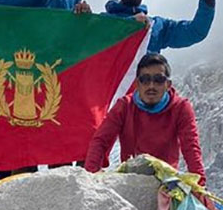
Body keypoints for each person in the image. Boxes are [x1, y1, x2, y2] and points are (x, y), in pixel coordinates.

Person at [84, 53, 207, 183]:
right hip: (131, 180)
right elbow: (101, 140)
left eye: (158, 80)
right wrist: (91, 175)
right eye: (145, 79)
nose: (151, 86)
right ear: (137, 83)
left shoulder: (181, 107)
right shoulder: (124, 106)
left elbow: (191, 148)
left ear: (168, 84)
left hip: (166, 182)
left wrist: (200, 185)